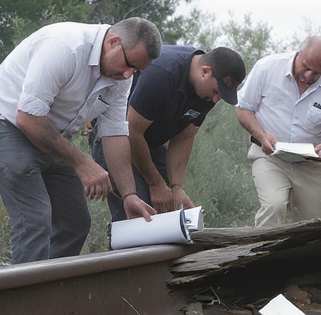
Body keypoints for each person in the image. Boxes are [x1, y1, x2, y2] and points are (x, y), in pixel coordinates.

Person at [0, 18, 161, 263]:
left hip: (51, 135)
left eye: (136, 70)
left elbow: (114, 132)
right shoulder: (65, 46)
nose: (129, 74)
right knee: (35, 220)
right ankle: (23, 297)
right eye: (128, 64)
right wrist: (83, 164)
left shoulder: (120, 77)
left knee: (74, 222)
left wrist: (129, 195)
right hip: (8, 126)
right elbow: (28, 118)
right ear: (114, 42)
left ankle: (48, 289)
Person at [90, 46, 247, 221]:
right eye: (217, 92)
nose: (217, 99)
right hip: (117, 138)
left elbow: (185, 136)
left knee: (168, 213)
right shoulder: (164, 73)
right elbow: (131, 131)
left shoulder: (207, 93)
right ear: (205, 72)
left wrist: (176, 187)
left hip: (150, 143)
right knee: (139, 216)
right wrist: (156, 183)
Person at [234, 36, 321, 226]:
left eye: (316, 72)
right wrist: (262, 135)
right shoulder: (267, 68)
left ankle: (301, 256)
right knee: (274, 206)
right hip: (269, 156)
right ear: (298, 53)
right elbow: (243, 108)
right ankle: (263, 253)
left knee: (314, 224)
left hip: (310, 165)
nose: (309, 75)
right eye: (305, 66)